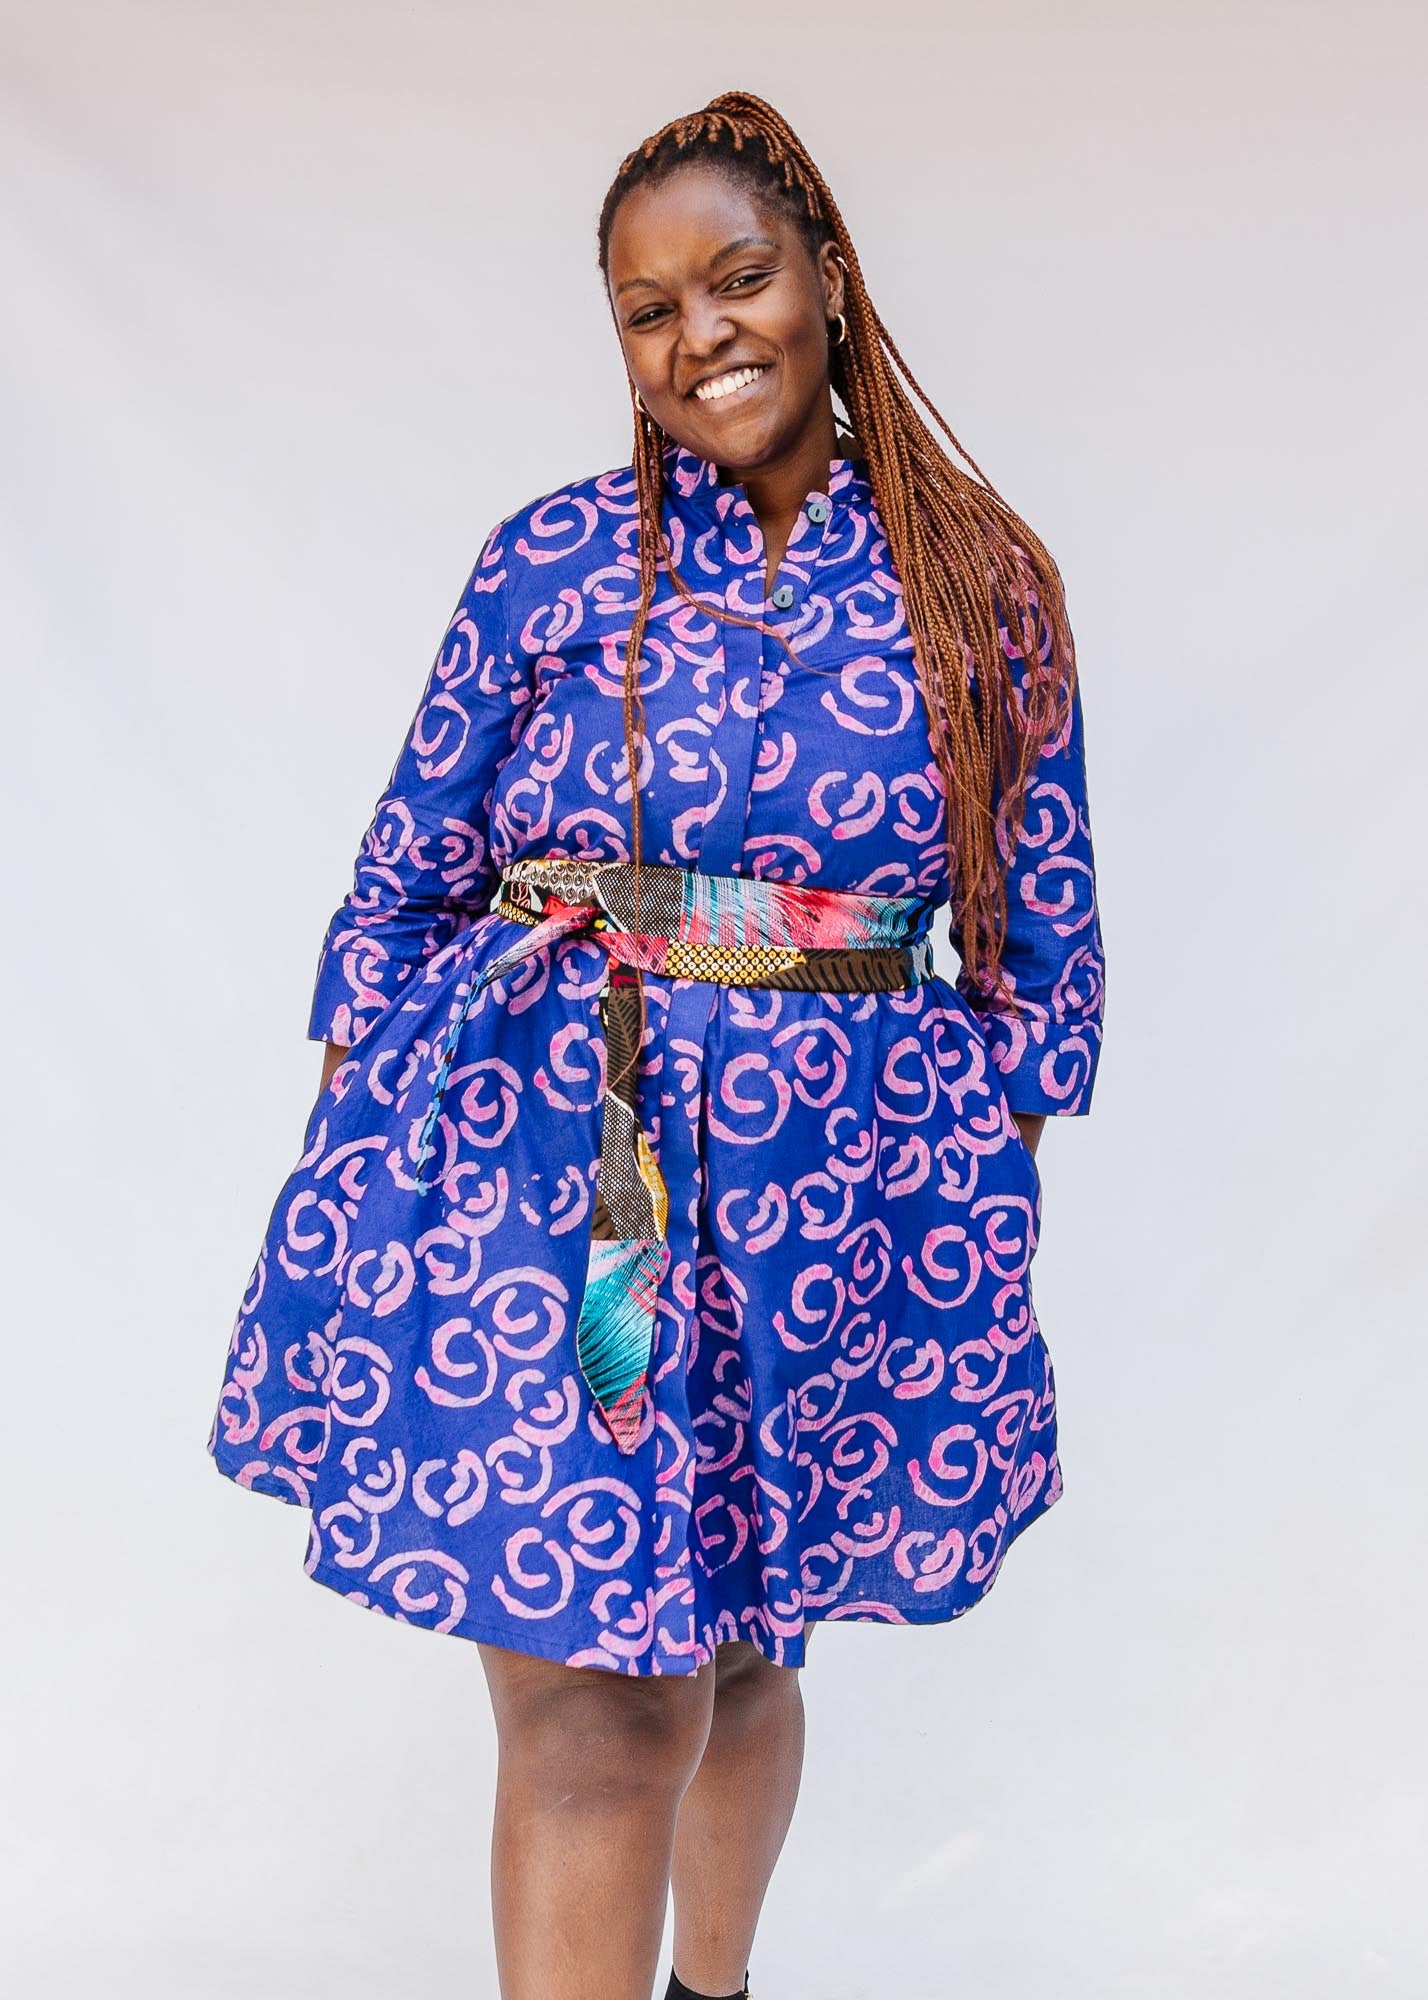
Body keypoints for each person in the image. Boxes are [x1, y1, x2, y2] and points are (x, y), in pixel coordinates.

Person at [208, 88, 1105, 2000]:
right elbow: (400, 887)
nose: (700, 335)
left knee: (746, 1653)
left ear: (827, 272)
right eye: (645, 308)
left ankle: (717, 1992)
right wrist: (355, 1179)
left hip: (832, 1207)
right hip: (547, 1182)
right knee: (597, 1710)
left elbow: (1039, 953)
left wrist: (975, 1208)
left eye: (738, 278)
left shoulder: (984, 586)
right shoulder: (549, 563)